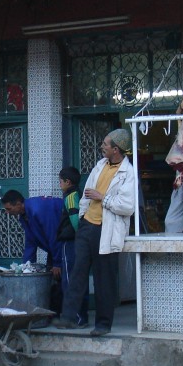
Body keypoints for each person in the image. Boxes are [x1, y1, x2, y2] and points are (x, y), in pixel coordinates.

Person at [53, 128, 136, 337]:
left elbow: (127, 206)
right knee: (78, 272)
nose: (102, 146)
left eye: (106, 144)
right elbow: (85, 196)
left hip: (106, 230)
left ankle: (103, 325)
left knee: (103, 279)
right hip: (87, 226)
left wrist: (102, 198)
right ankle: (69, 316)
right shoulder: (99, 166)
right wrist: (82, 217)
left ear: (116, 149)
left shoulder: (129, 173)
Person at [0, 188, 65, 279]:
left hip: (66, 243)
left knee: (64, 277)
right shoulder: (24, 216)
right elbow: (30, 242)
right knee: (52, 277)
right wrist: (26, 267)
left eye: (9, 209)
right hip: (56, 247)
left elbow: (53, 235)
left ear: (18, 204)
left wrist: (57, 263)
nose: (7, 212)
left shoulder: (37, 209)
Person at [55, 166, 87, 326]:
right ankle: (79, 317)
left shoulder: (70, 197)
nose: (59, 184)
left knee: (70, 280)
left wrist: (80, 238)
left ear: (68, 182)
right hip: (79, 242)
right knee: (79, 279)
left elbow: (75, 221)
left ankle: (75, 318)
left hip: (72, 242)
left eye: (60, 181)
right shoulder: (78, 194)